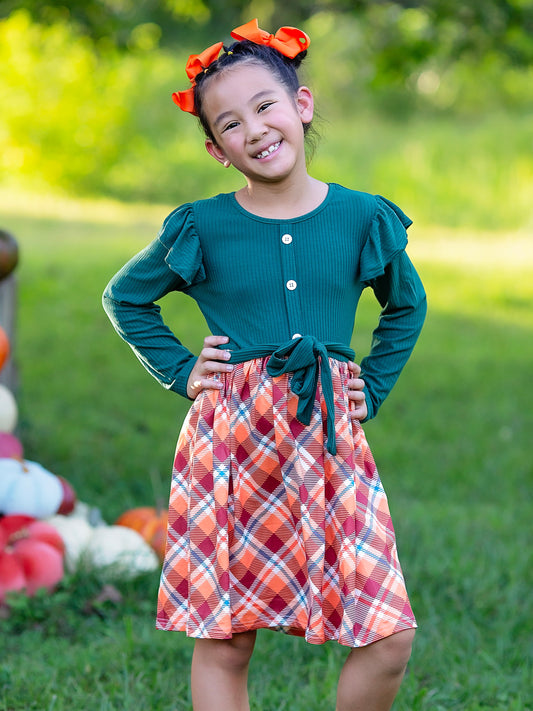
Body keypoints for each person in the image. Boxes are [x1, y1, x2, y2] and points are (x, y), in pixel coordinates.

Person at [102, 18, 427, 711]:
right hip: (231, 444)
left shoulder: (360, 216)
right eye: (228, 123)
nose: (252, 128)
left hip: (328, 439)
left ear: (301, 105)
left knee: (386, 634)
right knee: (227, 637)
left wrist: (371, 383)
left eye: (264, 106)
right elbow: (126, 298)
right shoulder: (201, 225)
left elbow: (405, 306)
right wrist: (181, 367)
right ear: (217, 149)